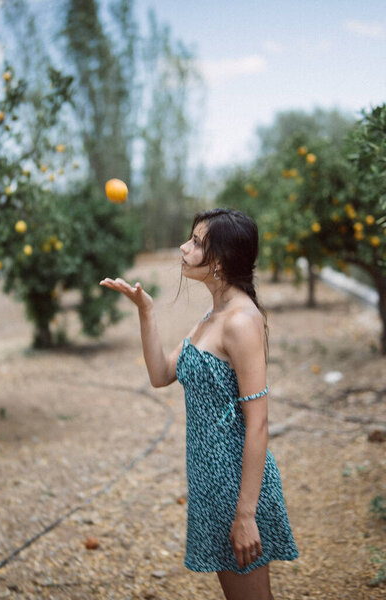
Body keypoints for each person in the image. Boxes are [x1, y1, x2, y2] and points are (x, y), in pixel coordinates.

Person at [100, 208, 299, 600]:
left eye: (195, 242)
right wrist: (146, 311)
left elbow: (258, 424)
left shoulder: (241, 321)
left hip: (237, 487)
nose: (183, 247)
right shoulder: (212, 316)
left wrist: (245, 514)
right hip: (209, 484)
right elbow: (160, 374)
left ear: (221, 261)